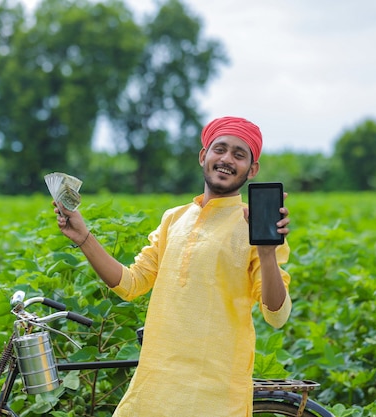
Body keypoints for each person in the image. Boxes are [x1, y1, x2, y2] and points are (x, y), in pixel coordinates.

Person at [53, 116, 292, 417]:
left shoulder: (258, 228)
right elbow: (131, 283)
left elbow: (277, 315)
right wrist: (84, 237)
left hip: (215, 392)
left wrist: (268, 253)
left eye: (239, 154)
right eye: (220, 149)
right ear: (203, 155)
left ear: (252, 170)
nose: (227, 160)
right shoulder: (174, 219)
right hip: (155, 384)